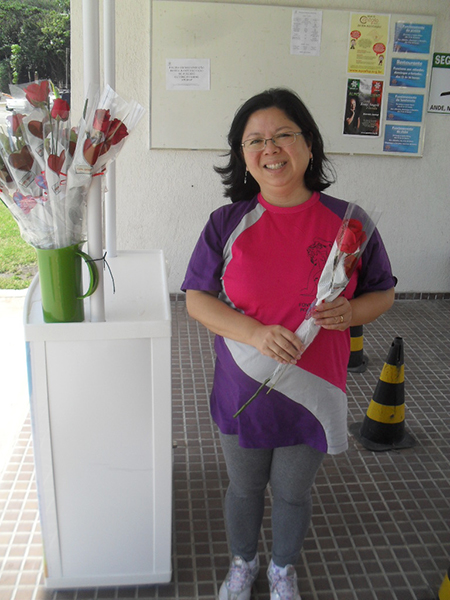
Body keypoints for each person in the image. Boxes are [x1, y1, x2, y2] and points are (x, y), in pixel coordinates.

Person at [181, 88, 396, 600]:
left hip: (314, 389)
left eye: (283, 135)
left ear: (309, 144)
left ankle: (282, 569)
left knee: (294, 492)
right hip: (244, 387)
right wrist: (254, 333)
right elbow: (196, 299)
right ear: (243, 156)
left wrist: (352, 313)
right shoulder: (227, 223)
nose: (270, 148)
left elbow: (382, 292)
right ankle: (243, 562)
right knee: (244, 487)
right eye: (254, 140)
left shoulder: (350, 223)